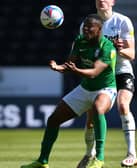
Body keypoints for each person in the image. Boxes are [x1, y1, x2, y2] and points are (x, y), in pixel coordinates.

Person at [20, 14, 117, 168]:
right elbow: (69, 64)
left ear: (99, 30)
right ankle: (42, 161)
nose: (85, 29)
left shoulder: (107, 48)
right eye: (84, 26)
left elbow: (94, 73)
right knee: (53, 120)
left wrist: (75, 69)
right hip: (85, 89)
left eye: (89, 27)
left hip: (105, 89)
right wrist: (58, 67)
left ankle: (99, 158)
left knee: (98, 107)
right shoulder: (80, 41)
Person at [76, 0, 137, 167]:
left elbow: (131, 54)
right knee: (91, 117)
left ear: (113, 2)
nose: (102, 0)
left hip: (121, 71)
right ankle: (89, 154)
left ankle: (132, 154)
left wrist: (119, 50)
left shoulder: (123, 21)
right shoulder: (88, 24)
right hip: (101, 74)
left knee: (123, 105)